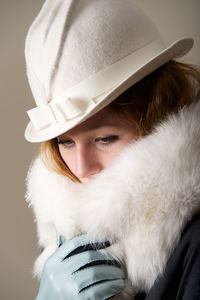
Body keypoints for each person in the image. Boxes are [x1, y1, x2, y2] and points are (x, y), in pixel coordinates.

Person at [24, 0, 200, 299]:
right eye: (65, 142)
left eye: (105, 139)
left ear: (163, 117)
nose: (80, 169)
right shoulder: (66, 234)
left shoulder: (195, 242)